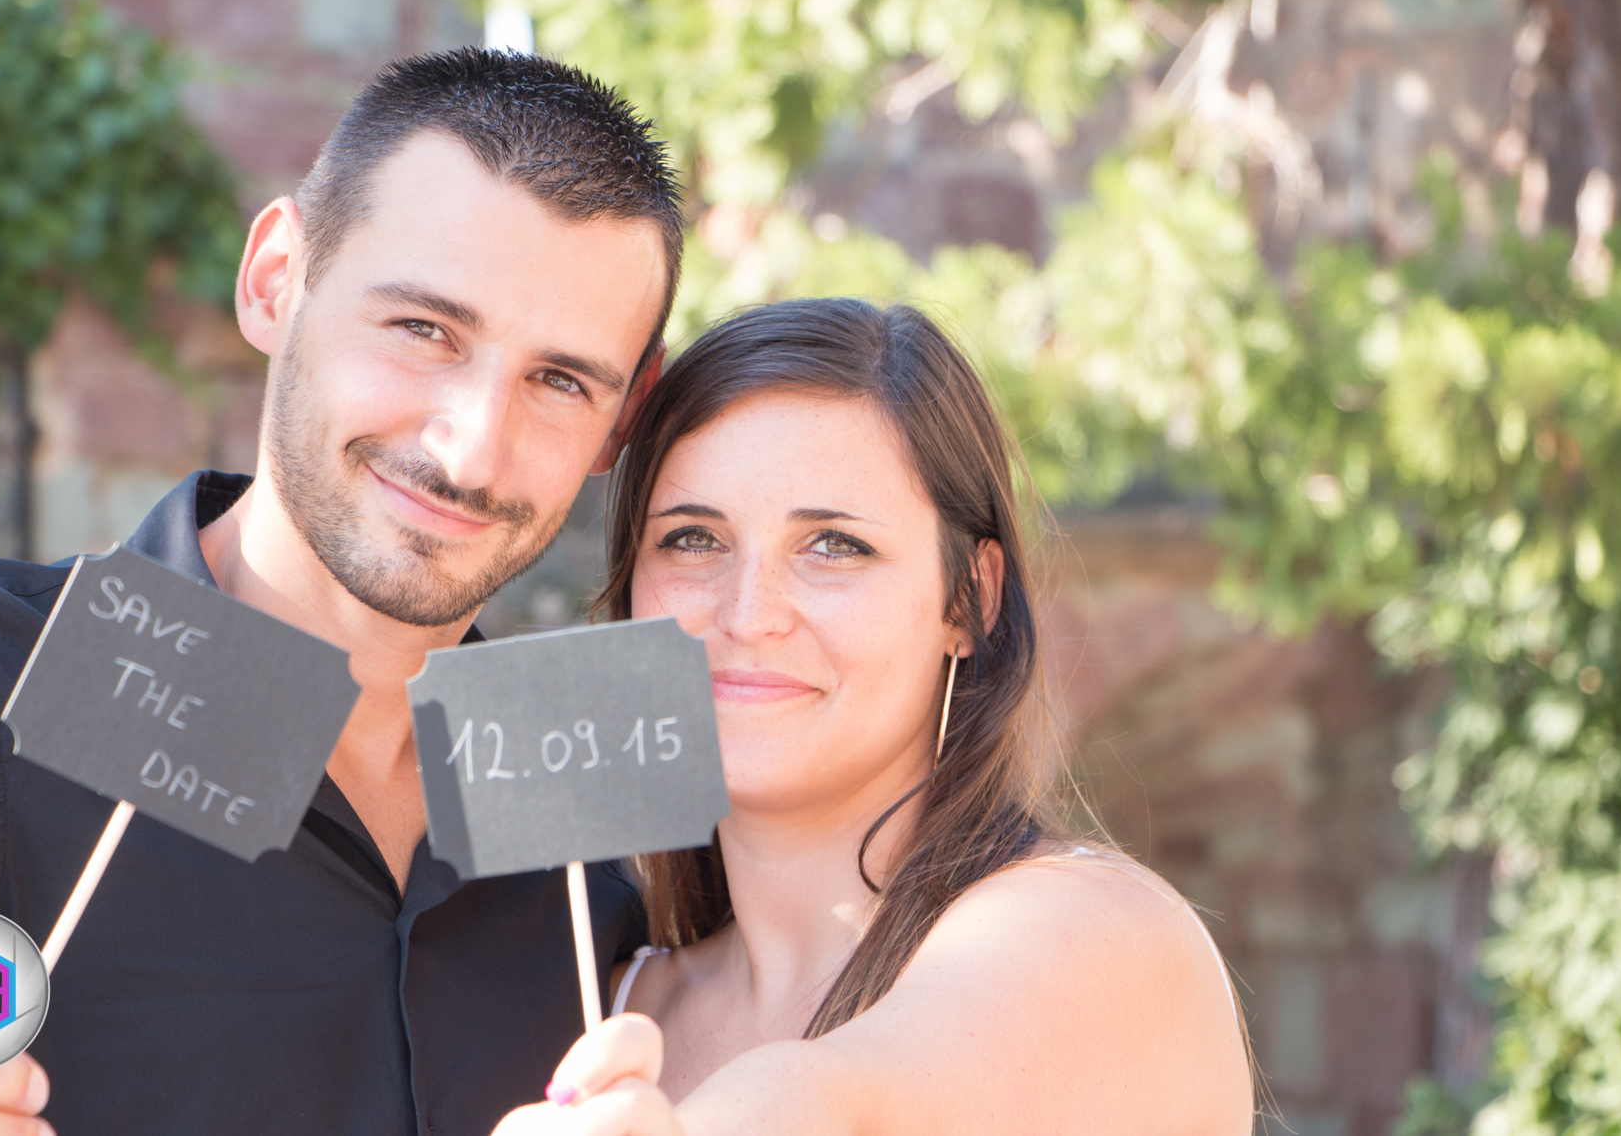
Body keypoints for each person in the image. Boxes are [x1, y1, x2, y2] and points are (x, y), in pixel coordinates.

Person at [0, 49, 682, 1136]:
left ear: (623, 418)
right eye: (423, 330)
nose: (470, 448)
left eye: (560, 380)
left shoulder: (609, 787)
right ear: (277, 277)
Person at [494, 299, 1254, 1135]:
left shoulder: (1093, 931)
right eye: (692, 539)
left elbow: (842, 1100)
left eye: (834, 545)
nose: (749, 613)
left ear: (971, 597)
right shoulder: (610, 1005)